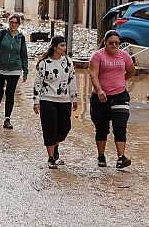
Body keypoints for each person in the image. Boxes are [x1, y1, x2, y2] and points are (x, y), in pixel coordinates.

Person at [89, 30, 136, 169]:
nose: (114, 45)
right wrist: (99, 90)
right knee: (102, 128)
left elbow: (132, 70)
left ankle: (121, 157)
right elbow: (93, 75)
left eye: (117, 43)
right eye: (111, 43)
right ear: (105, 42)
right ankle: (101, 156)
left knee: (120, 126)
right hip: (101, 97)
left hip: (120, 96)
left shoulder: (124, 55)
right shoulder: (97, 56)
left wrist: (122, 80)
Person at [32, 35, 78, 169]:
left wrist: (74, 98)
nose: (65, 48)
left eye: (65, 45)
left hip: (64, 100)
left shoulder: (68, 62)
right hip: (47, 100)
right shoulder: (44, 63)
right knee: (49, 128)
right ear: (55, 47)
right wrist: (36, 101)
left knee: (65, 127)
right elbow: (37, 83)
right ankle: (51, 157)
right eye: (62, 45)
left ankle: (55, 143)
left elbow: (72, 80)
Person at [0, 14, 28, 128]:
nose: (13, 24)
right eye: (11, 22)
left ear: (19, 24)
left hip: (14, 69)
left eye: (16, 23)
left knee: (10, 93)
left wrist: (25, 71)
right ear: (8, 22)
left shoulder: (21, 38)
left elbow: (24, 55)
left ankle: (7, 119)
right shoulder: (1, 33)